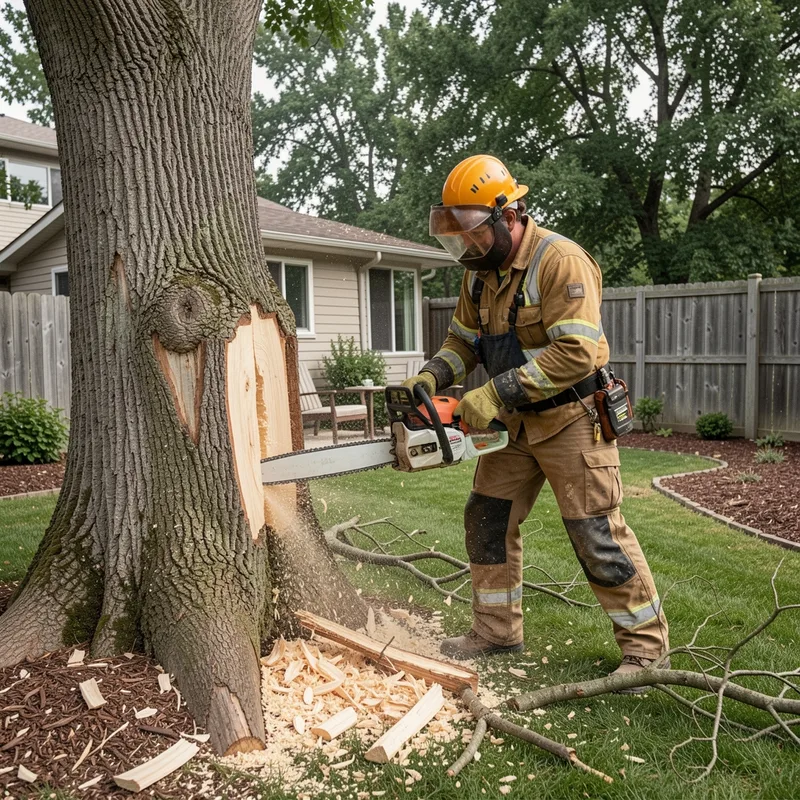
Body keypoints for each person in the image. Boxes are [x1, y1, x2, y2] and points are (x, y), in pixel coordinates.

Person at [405, 154, 669, 683]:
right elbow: (464, 341)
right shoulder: (478, 275)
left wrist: (492, 394)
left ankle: (646, 648)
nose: (467, 245)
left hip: (572, 417)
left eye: (474, 232)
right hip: (515, 425)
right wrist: (432, 376)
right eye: (457, 234)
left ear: (510, 214)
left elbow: (576, 351)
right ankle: (496, 631)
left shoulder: (560, 261)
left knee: (595, 530)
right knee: (487, 518)